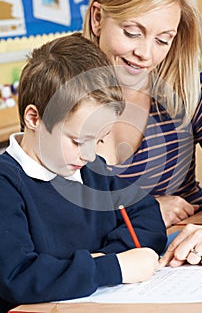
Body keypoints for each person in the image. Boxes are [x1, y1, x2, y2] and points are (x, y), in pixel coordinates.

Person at [0, 32, 167, 313]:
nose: (90, 154)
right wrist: (111, 267)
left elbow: (148, 218)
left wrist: (111, 258)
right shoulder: (7, 185)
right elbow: (17, 277)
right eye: (78, 141)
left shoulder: (91, 169)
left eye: (99, 140)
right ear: (34, 118)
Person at [82, 0, 202, 267]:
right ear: (98, 19)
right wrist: (146, 211)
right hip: (109, 266)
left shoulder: (191, 90)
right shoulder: (55, 98)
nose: (146, 54)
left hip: (188, 258)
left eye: (163, 40)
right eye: (132, 32)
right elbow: (50, 221)